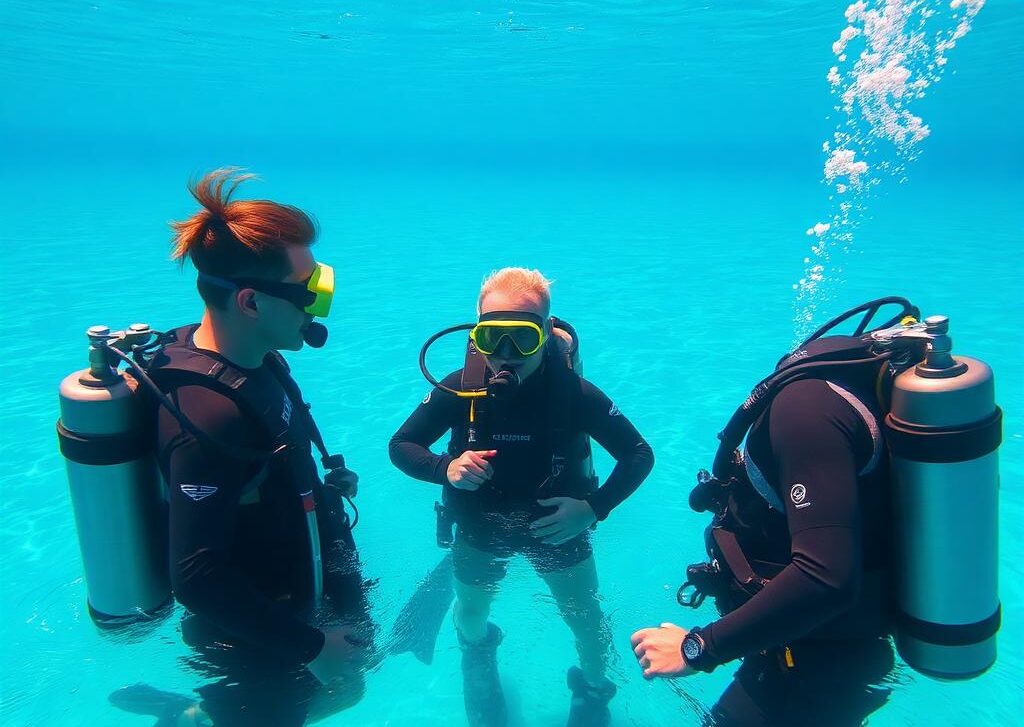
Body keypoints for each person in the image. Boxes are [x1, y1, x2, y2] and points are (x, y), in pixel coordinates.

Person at [111, 169, 375, 727]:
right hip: (252, 639)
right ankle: (190, 715)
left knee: (349, 692)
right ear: (251, 302)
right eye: (308, 292)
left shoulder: (252, 358)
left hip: (293, 603)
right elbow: (197, 576)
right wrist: (309, 647)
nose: (316, 308)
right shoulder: (209, 420)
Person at [389, 267, 655, 727]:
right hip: (480, 521)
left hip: (558, 525)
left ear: (546, 334)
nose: (507, 354)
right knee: (471, 612)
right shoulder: (460, 387)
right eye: (494, 338)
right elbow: (402, 445)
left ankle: (592, 689)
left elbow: (638, 454)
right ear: (477, 336)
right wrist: (444, 468)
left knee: (586, 620)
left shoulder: (573, 393)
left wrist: (592, 509)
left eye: (524, 339)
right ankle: (478, 655)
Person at [630, 320, 901, 726]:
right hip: (802, 637)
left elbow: (826, 578)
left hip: (816, 657)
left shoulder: (805, 412)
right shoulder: (835, 389)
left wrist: (698, 647)